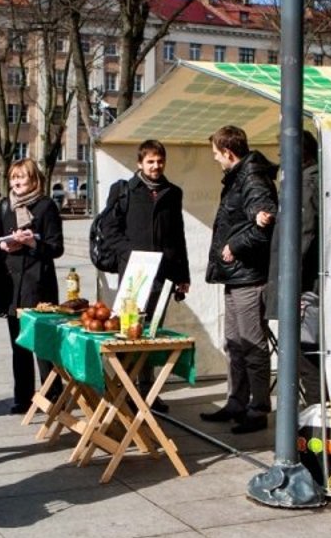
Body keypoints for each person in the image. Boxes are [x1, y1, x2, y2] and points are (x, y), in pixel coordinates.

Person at [97, 139, 191, 411]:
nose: (155, 166)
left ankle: (148, 392)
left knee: (151, 334)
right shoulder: (123, 190)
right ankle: (126, 391)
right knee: (130, 333)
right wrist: (131, 254)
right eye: (150, 161)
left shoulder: (173, 192)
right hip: (134, 274)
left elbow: (177, 235)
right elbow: (109, 229)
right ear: (140, 163)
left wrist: (182, 275)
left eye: (159, 161)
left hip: (163, 275)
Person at [201, 125, 279, 434]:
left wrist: (235, 246)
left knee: (252, 345)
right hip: (236, 276)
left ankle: (258, 408)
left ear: (229, 153)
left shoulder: (252, 179)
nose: (216, 160)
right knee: (234, 342)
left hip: (250, 276)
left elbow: (266, 221)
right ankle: (236, 401)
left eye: (217, 155)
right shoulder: (238, 177)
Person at [0, 158, 64, 414]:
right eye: (14, 178)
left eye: (22, 178)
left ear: (34, 180)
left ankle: (52, 395)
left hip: (37, 284)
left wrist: (32, 244)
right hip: (11, 285)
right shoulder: (5, 205)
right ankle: (23, 397)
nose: (17, 182)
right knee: (18, 344)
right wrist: (2, 245)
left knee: (41, 343)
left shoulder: (46, 206)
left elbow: (56, 247)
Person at [264, 131, 323, 407]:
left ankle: (315, 423)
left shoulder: (308, 184)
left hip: (304, 289)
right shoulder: (307, 181)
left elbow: (304, 237)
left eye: (284, 152)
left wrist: (293, 288)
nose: (280, 159)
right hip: (304, 285)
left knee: (305, 356)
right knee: (305, 354)